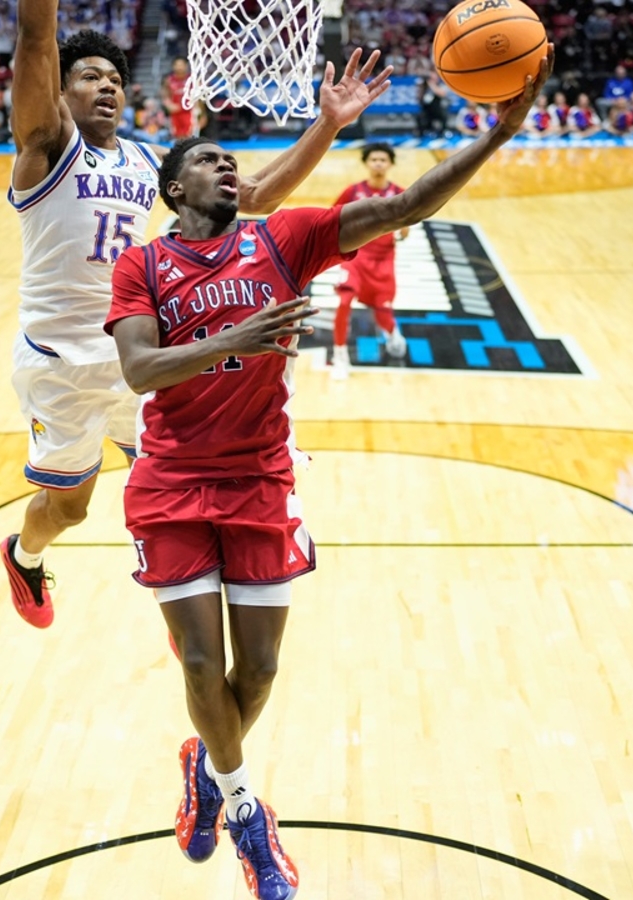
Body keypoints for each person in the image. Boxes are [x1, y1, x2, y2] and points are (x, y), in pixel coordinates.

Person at [103, 49, 552, 900]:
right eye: (206, 159)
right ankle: (246, 815)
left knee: (258, 674)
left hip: (262, 476)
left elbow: (411, 202)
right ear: (174, 191)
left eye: (232, 158)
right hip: (170, 479)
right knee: (202, 667)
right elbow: (138, 371)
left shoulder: (286, 236)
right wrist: (235, 341)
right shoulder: (144, 267)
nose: (225, 163)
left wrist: (499, 131)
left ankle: (209, 766)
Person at [0, 0, 389, 629]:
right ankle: (23, 555)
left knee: (184, 497)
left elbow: (256, 195)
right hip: (59, 365)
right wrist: (40, 27)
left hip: (141, 357)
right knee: (68, 510)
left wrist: (328, 124)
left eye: (117, 80)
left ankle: (202, 663)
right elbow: (36, 33)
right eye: (90, 77)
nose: (108, 88)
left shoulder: (148, 162)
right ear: (59, 90)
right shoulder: (45, 147)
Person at [329, 142, 408, 380]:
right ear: (366, 163)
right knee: (344, 302)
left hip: (383, 260)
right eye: (374, 159)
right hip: (356, 256)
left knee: (383, 312)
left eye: (383, 160)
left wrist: (403, 230)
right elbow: (332, 217)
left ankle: (393, 333)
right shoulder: (353, 191)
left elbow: (406, 229)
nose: (378, 164)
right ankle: (340, 354)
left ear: (390, 164)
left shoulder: (400, 193)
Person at [162, 56, 193, 142]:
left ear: (186, 66)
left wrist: (201, 113)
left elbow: (199, 97)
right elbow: (164, 94)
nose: (179, 67)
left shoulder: (192, 79)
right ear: (173, 66)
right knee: (177, 136)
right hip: (175, 111)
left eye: (182, 65)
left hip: (189, 112)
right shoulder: (169, 80)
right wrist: (168, 104)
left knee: (190, 136)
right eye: (177, 65)